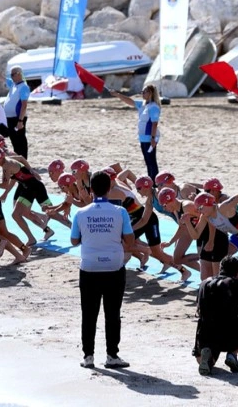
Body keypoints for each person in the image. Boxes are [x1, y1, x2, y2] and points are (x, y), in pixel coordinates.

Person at [70, 171, 134, 369]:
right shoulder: (120, 212)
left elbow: (73, 240)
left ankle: (88, 356)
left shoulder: (81, 213)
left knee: (89, 313)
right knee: (112, 312)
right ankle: (112, 355)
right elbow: (130, 241)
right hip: (114, 266)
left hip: (89, 267)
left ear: (91, 189)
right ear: (109, 189)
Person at [194, 256, 238, 375]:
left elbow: (198, 307)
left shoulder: (204, 283)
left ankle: (208, 356)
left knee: (202, 360)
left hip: (205, 333)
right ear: (237, 271)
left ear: (220, 268)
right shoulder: (236, 283)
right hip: (230, 332)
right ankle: (232, 354)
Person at [109, 85, 161, 181]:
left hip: (149, 138)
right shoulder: (143, 104)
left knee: (151, 161)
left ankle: (155, 182)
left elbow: (154, 124)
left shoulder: (154, 107)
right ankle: (151, 181)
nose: (142, 93)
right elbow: (129, 101)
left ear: (150, 93)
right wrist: (117, 94)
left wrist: (153, 138)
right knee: (147, 161)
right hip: (143, 138)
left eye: (144, 91)